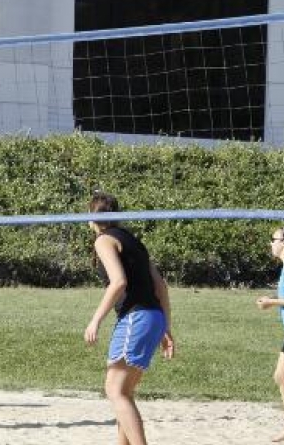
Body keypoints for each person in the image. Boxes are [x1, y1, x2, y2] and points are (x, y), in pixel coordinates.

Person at [83, 191, 174, 445]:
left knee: (114, 390)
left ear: (92, 216)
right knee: (124, 392)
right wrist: (165, 326)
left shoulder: (104, 240)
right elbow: (161, 287)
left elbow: (118, 283)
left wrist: (95, 320)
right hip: (152, 316)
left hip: (137, 317)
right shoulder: (134, 240)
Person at [257, 227, 284, 442]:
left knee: (282, 377)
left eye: (273, 239)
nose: (271, 243)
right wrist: (272, 298)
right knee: (282, 377)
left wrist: (272, 302)